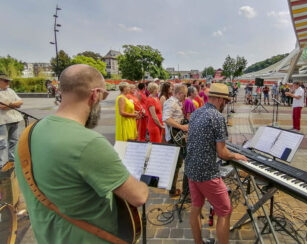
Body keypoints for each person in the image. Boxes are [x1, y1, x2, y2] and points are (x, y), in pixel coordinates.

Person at [15, 64, 149, 243]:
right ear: (95, 94)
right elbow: (139, 196)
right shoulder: (88, 142)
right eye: (104, 95)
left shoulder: (29, 132)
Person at [185, 83, 247, 244]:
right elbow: (222, 152)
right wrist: (236, 156)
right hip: (206, 172)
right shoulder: (217, 117)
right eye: (225, 102)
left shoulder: (197, 112)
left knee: (196, 207)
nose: (225, 105)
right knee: (225, 210)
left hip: (191, 168)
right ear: (219, 99)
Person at [162, 84, 189, 196]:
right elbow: (166, 118)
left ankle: (173, 189)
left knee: (177, 164)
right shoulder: (171, 102)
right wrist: (182, 127)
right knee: (176, 164)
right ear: (180, 94)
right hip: (174, 139)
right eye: (185, 95)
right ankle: (172, 190)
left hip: (177, 137)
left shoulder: (175, 102)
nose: (185, 97)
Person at [0, 74, 23, 167]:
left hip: (14, 119)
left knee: (14, 141)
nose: (8, 83)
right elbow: (2, 107)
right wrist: (14, 104)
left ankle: (12, 162)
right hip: (2, 121)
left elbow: (20, 102)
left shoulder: (11, 91)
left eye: (8, 81)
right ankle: (1, 165)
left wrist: (9, 104)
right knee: (2, 144)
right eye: (5, 81)